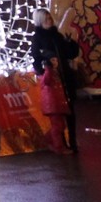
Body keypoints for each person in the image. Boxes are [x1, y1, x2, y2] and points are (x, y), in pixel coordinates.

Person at [31, 8, 80, 153]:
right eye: (46, 19)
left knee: (70, 110)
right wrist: (46, 67)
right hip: (53, 78)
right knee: (58, 114)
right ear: (40, 21)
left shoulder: (57, 35)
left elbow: (70, 53)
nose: (49, 21)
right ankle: (60, 143)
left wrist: (70, 42)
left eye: (50, 18)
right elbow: (36, 59)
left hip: (65, 75)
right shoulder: (38, 38)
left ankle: (72, 139)